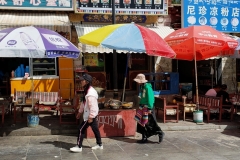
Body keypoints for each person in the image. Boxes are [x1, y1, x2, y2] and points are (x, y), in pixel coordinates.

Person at [70, 73, 103, 153]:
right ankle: (99, 144)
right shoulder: (87, 90)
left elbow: (93, 106)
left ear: (87, 82)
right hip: (90, 114)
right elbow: (83, 103)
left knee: (81, 129)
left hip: (90, 115)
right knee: (95, 130)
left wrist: (91, 117)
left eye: (82, 80)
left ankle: (79, 146)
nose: (81, 81)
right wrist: (80, 112)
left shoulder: (90, 93)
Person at [134, 73, 165, 143]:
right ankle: (144, 137)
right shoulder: (142, 87)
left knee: (151, 123)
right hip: (142, 107)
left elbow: (151, 98)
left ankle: (160, 133)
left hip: (147, 108)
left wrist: (150, 108)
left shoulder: (148, 87)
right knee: (142, 123)